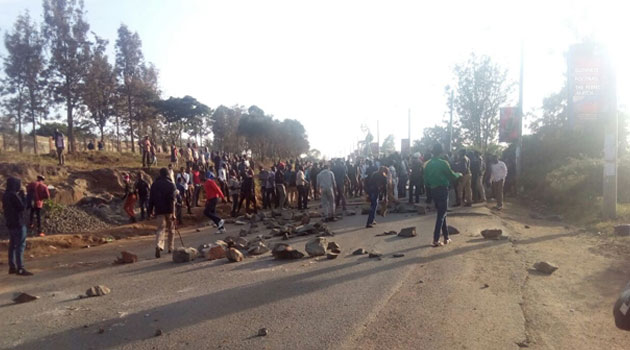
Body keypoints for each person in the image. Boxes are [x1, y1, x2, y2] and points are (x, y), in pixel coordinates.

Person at [424, 144, 462, 247]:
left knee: (442, 213)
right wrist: (459, 174)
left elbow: (426, 181)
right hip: (442, 190)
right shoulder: (443, 163)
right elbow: (452, 175)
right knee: (441, 214)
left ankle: (446, 237)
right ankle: (436, 239)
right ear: (441, 152)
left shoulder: (427, 164)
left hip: (433, 190)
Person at [3, 177, 33, 276]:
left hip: (10, 223)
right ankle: (20, 268)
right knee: (20, 246)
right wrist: (24, 196)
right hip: (18, 223)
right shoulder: (13, 195)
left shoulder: (5, 195)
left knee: (12, 246)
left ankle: (12, 267)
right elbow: (22, 207)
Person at [148, 168, 177, 258]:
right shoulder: (171, 185)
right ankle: (170, 248)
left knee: (160, 229)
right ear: (168, 174)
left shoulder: (154, 185)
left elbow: (151, 199)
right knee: (171, 230)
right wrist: (173, 213)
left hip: (159, 210)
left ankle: (158, 245)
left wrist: (150, 211)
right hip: (169, 210)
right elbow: (172, 200)